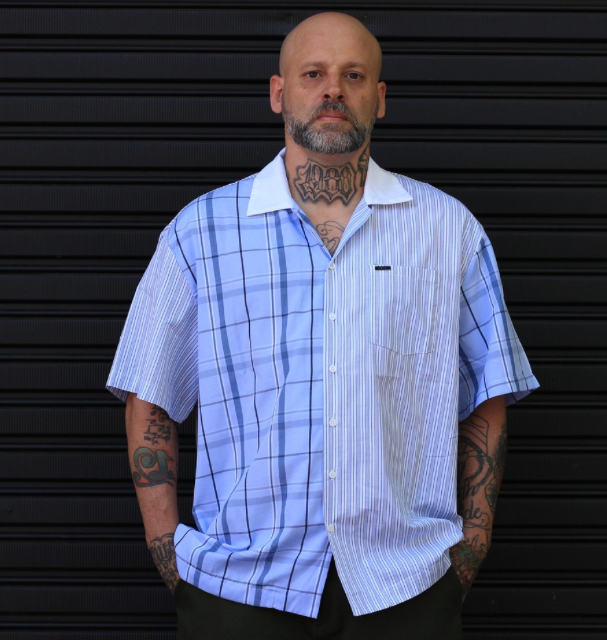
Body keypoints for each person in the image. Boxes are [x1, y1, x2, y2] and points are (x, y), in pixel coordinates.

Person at [106, 11, 539, 640]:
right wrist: (170, 555)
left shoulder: (448, 231)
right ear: (278, 92)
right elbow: (150, 397)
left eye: (353, 75)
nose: (333, 89)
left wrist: (468, 550)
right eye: (313, 74)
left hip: (405, 588)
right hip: (239, 589)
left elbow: (487, 396)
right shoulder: (200, 234)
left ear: (379, 98)